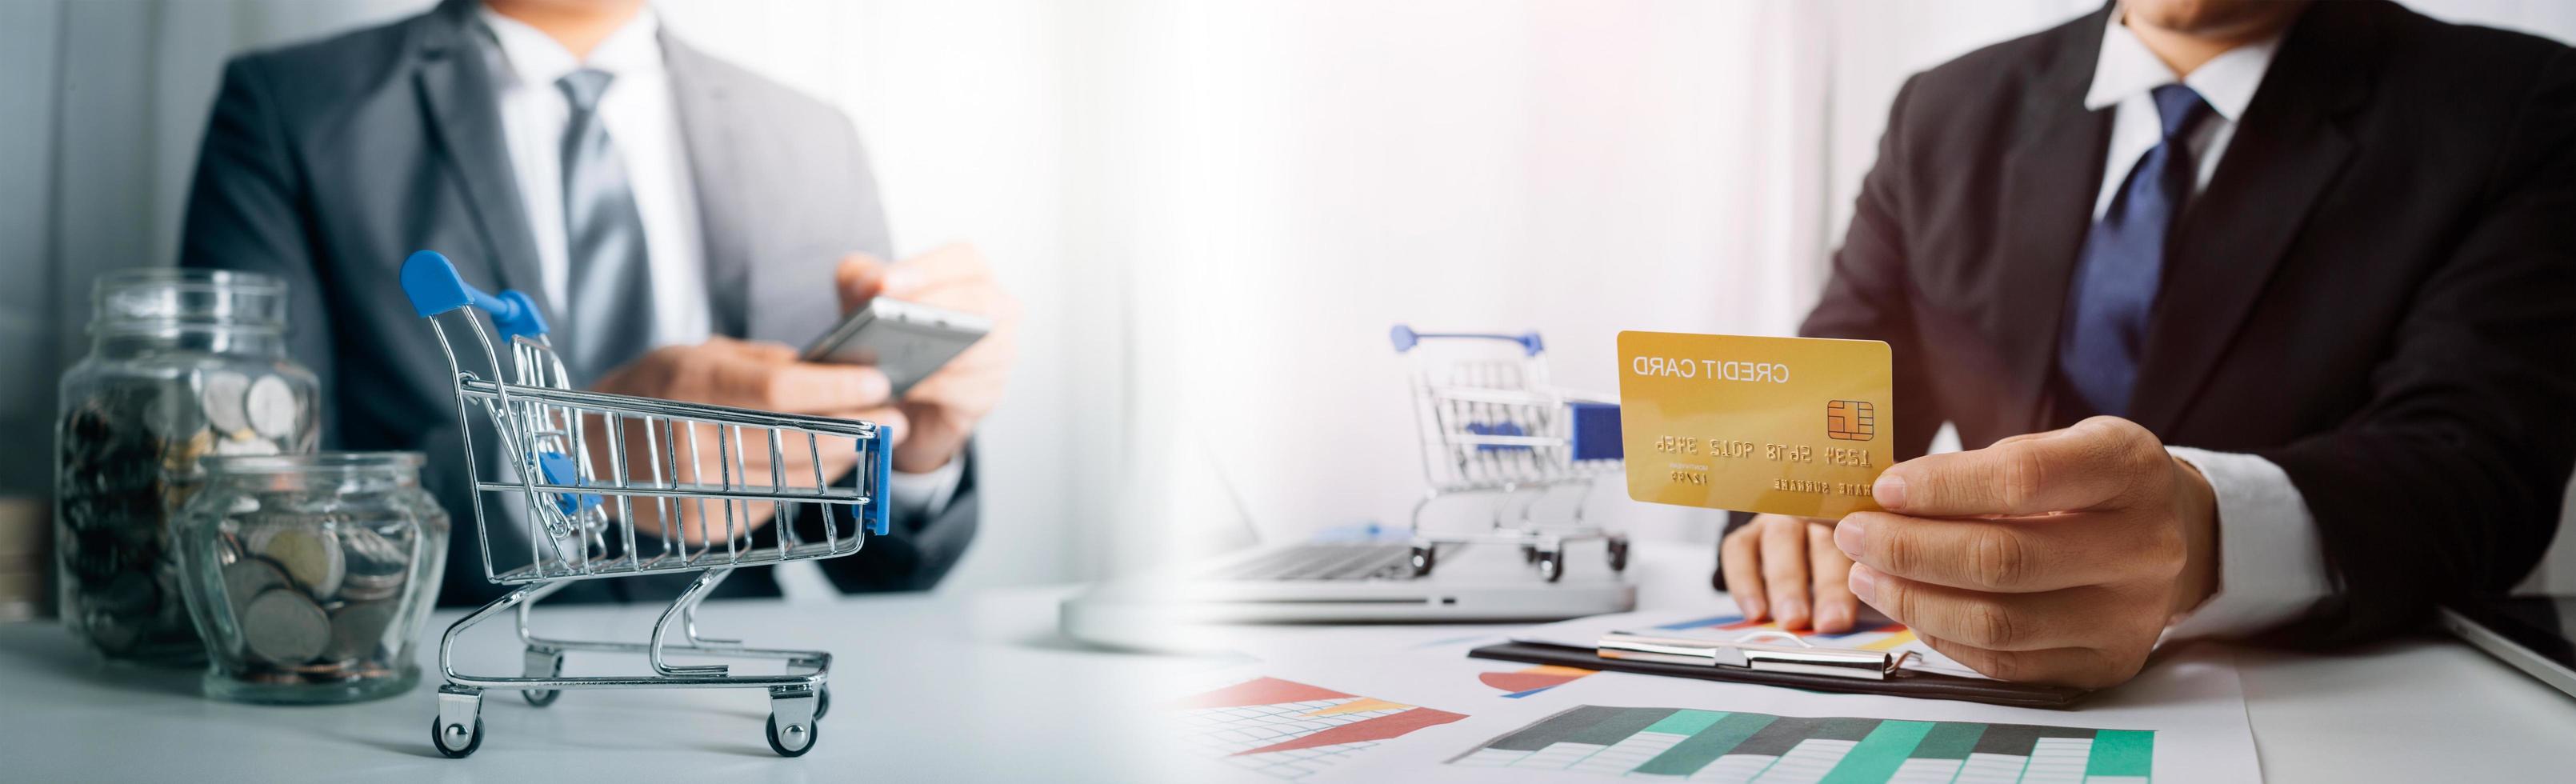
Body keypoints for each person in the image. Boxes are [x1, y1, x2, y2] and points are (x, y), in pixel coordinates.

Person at [1719, 0, 2576, 688]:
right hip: (1945, 671)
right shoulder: (1943, 108)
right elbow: (1843, 377)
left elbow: (2480, 463)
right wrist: (1788, 509)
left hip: (2321, 697)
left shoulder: (2512, 101)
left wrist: (2209, 537)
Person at [176, 0, 1019, 606]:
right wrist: (569, 464)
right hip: (421, 682)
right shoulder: (291, 109)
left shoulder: (811, 137)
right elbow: (244, 508)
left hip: (728, 691)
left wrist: (916, 456)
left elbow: (886, 574)